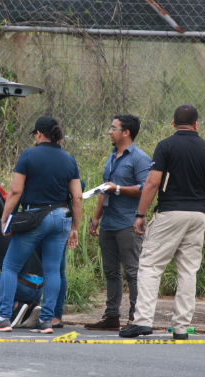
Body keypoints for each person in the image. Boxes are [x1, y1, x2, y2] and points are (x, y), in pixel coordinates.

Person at [119, 105, 205, 340]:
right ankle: (181, 327)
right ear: (196, 125)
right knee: (188, 270)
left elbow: (153, 183)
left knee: (150, 265)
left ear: (174, 124)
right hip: (198, 216)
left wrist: (140, 214)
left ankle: (143, 321)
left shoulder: (165, 146)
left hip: (170, 213)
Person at [0, 116, 82, 334]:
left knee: (11, 266)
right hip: (61, 217)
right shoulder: (69, 159)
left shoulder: (29, 155)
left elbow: (15, 191)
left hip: (34, 217)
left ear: (38, 134)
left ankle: (3, 317)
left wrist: (5, 217)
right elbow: (76, 197)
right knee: (52, 270)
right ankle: (46, 321)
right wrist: (74, 227)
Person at [86, 114, 151, 331]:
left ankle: (136, 318)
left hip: (128, 223)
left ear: (126, 132)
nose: (109, 132)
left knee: (132, 271)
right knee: (111, 271)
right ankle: (111, 316)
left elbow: (145, 188)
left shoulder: (139, 158)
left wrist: (119, 189)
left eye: (113, 128)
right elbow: (107, 187)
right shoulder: (112, 156)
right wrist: (97, 217)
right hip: (109, 223)